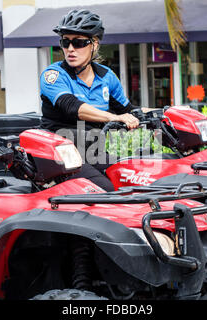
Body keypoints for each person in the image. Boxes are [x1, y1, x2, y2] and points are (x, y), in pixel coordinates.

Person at [40, 9, 148, 192]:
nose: (70, 49)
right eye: (65, 42)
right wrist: (115, 118)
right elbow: (73, 107)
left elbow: (129, 110)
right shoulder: (54, 75)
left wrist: (166, 112)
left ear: (94, 44)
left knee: (132, 178)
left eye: (79, 42)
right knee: (106, 189)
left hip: (93, 151)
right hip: (59, 153)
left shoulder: (107, 77)